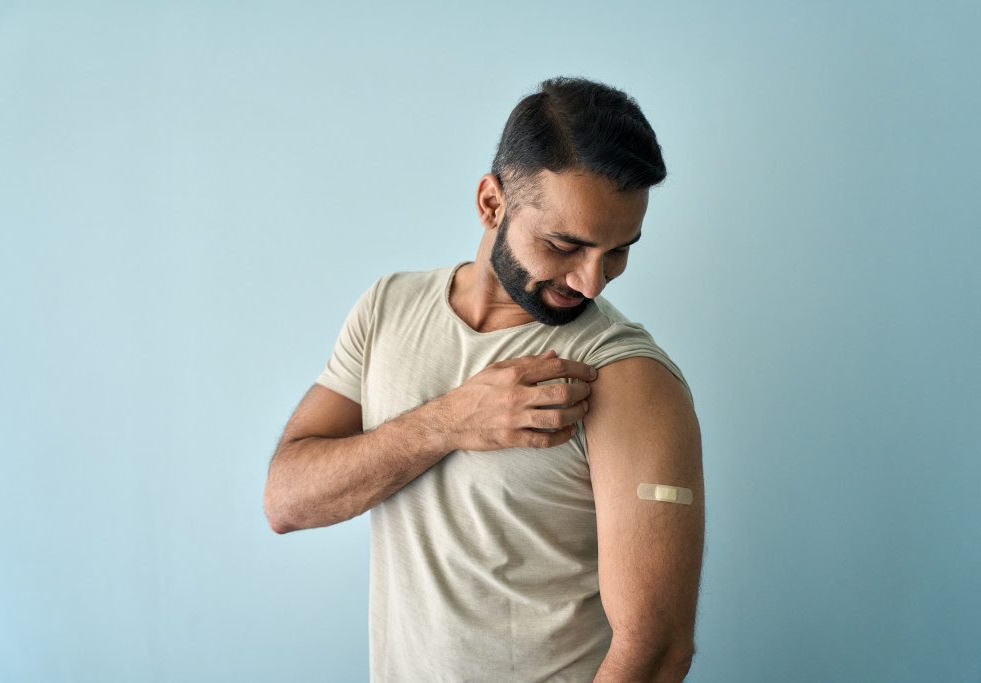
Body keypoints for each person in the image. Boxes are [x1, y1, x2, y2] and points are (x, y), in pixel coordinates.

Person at [263, 76, 704, 682]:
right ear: (491, 203)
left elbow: (655, 651)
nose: (592, 282)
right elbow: (287, 501)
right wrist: (448, 422)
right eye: (564, 245)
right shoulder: (389, 307)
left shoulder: (625, 376)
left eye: (619, 251)